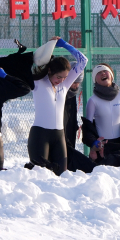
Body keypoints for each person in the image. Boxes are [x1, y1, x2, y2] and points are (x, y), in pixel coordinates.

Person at [28, 37, 88, 176]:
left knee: (62, 175)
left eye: (65, 77)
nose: (61, 81)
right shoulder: (37, 83)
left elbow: (83, 61)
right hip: (40, 135)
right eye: (58, 77)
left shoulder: (64, 85)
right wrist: (48, 47)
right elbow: (28, 65)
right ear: (50, 71)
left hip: (59, 135)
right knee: (40, 175)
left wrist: (64, 44)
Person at [82, 63, 120, 159]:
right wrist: (94, 143)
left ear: (112, 76)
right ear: (95, 80)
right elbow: (88, 127)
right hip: (103, 146)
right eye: (99, 73)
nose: (103, 73)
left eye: (105, 71)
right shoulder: (93, 100)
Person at [64, 80, 81, 151]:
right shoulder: (62, 93)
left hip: (70, 132)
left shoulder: (72, 93)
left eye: (79, 82)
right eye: (74, 81)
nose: (76, 84)